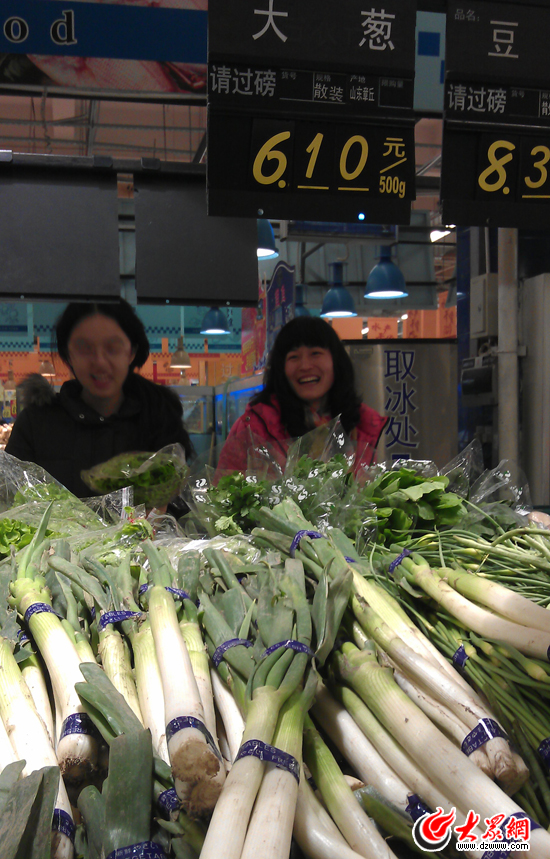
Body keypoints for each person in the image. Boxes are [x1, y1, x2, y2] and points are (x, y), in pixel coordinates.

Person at [6, 299, 193, 499]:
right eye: (84, 348)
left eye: (112, 348)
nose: (100, 362)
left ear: (131, 352)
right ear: (68, 354)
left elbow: (180, 504)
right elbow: (8, 499)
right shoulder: (35, 424)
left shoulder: (160, 419)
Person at [216, 316, 387, 475]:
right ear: (281, 369)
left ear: (336, 361)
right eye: (294, 357)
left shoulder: (361, 423)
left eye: (315, 353)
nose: (305, 366)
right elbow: (224, 489)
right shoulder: (253, 427)